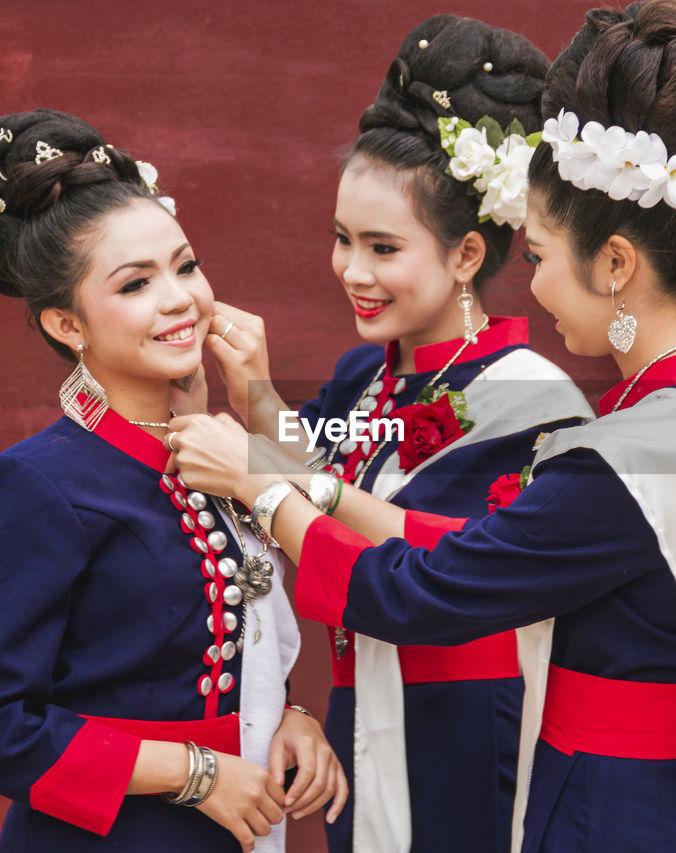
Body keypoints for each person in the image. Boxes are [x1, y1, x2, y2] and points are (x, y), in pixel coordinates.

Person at [170, 2, 676, 851]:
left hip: (604, 810)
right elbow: (462, 544)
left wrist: (263, 485)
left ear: (614, 262)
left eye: (537, 257)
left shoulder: (625, 454)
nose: (529, 285)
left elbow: (419, 587)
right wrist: (288, 458)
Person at [200, 15, 592, 853]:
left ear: (466, 254)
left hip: (464, 725)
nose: (352, 270)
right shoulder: (363, 377)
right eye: (343, 239)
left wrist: (255, 470)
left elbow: (434, 561)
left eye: (383, 246)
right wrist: (259, 394)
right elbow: (324, 502)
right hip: (361, 704)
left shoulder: (526, 399)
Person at [0, 109, 346, 853]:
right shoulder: (37, 483)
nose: (179, 298)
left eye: (185, 265)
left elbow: (325, 528)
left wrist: (289, 717)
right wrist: (194, 771)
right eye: (135, 284)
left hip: (241, 828)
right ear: (68, 325)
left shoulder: (214, 449)